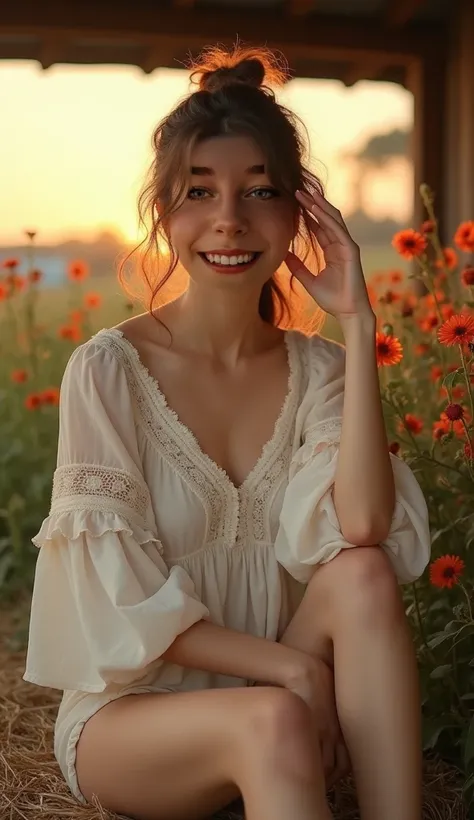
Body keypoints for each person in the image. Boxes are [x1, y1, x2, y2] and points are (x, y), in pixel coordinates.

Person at [24, 44, 431, 820]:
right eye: (199, 192)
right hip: (137, 719)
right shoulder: (108, 371)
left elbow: (367, 527)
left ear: (297, 213)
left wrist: (357, 319)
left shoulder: (321, 371)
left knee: (365, 573)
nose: (229, 220)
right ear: (164, 212)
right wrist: (299, 675)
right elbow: (124, 602)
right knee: (272, 717)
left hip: (273, 688)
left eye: (260, 190)